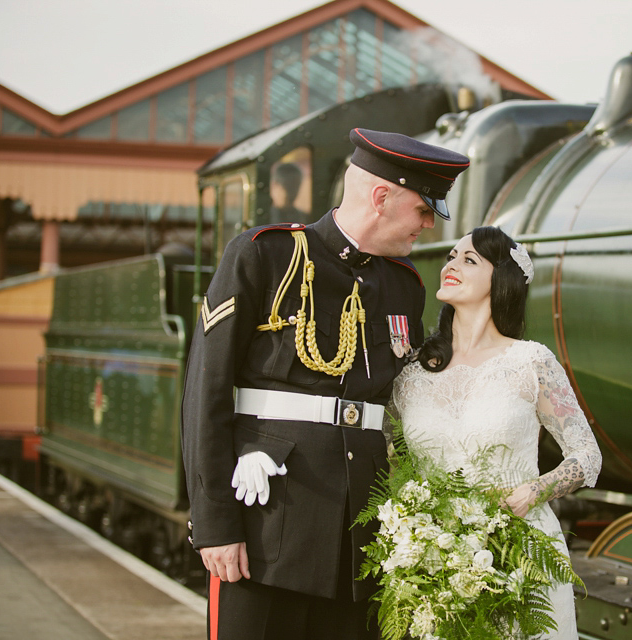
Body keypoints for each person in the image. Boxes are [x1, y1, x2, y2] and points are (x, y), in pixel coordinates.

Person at [181, 128, 470, 640]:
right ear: (382, 197)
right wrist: (215, 524)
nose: (428, 225)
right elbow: (205, 394)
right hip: (268, 518)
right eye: (424, 211)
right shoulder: (265, 255)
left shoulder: (404, 286)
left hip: (362, 532)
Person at [390, 226, 602, 639]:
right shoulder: (411, 373)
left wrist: (534, 492)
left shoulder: (531, 362)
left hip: (520, 553)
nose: (451, 265)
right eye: (451, 256)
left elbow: (586, 455)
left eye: (469, 260)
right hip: (435, 559)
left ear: (501, 279)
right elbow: (390, 461)